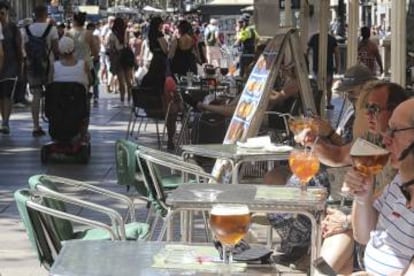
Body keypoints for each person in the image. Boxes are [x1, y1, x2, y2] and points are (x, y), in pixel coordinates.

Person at [344, 98, 414, 275]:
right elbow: (363, 235)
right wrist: (363, 197)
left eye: (395, 130)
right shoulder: (400, 181)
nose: (386, 139)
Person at [23, 5, 59, 137]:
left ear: (34, 14)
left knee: (36, 96)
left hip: (32, 66)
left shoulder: (26, 29)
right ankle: (53, 123)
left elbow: (25, 49)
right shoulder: (52, 29)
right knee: (51, 95)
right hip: (48, 65)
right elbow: (56, 49)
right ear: (45, 14)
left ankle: (35, 126)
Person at [0, 1, 22, 135]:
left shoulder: (13, 28)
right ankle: (3, 119)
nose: (0, 16)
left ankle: (5, 122)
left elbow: (19, 47)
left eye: (1, 13)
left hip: (10, 66)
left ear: (7, 13)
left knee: (6, 94)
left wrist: (21, 64)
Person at [307, 32, 340, 110]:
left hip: (316, 66)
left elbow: (307, 50)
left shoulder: (314, 37)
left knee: (317, 87)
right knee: (328, 87)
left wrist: (306, 63)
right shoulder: (331, 39)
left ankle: (316, 104)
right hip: (329, 67)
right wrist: (337, 66)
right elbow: (337, 53)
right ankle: (328, 103)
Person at [106, 17, 134, 106]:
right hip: (127, 57)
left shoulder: (112, 34)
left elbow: (110, 47)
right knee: (128, 80)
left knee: (121, 80)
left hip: (118, 58)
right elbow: (127, 44)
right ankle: (129, 98)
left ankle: (122, 99)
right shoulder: (126, 32)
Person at [234, 14, 258, 78]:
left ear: (244, 22)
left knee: (241, 68)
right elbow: (257, 39)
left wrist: (237, 31)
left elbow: (239, 40)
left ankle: (241, 79)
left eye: (241, 22)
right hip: (251, 52)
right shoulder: (252, 29)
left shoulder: (246, 30)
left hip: (245, 53)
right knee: (246, 68)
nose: (240, 24)